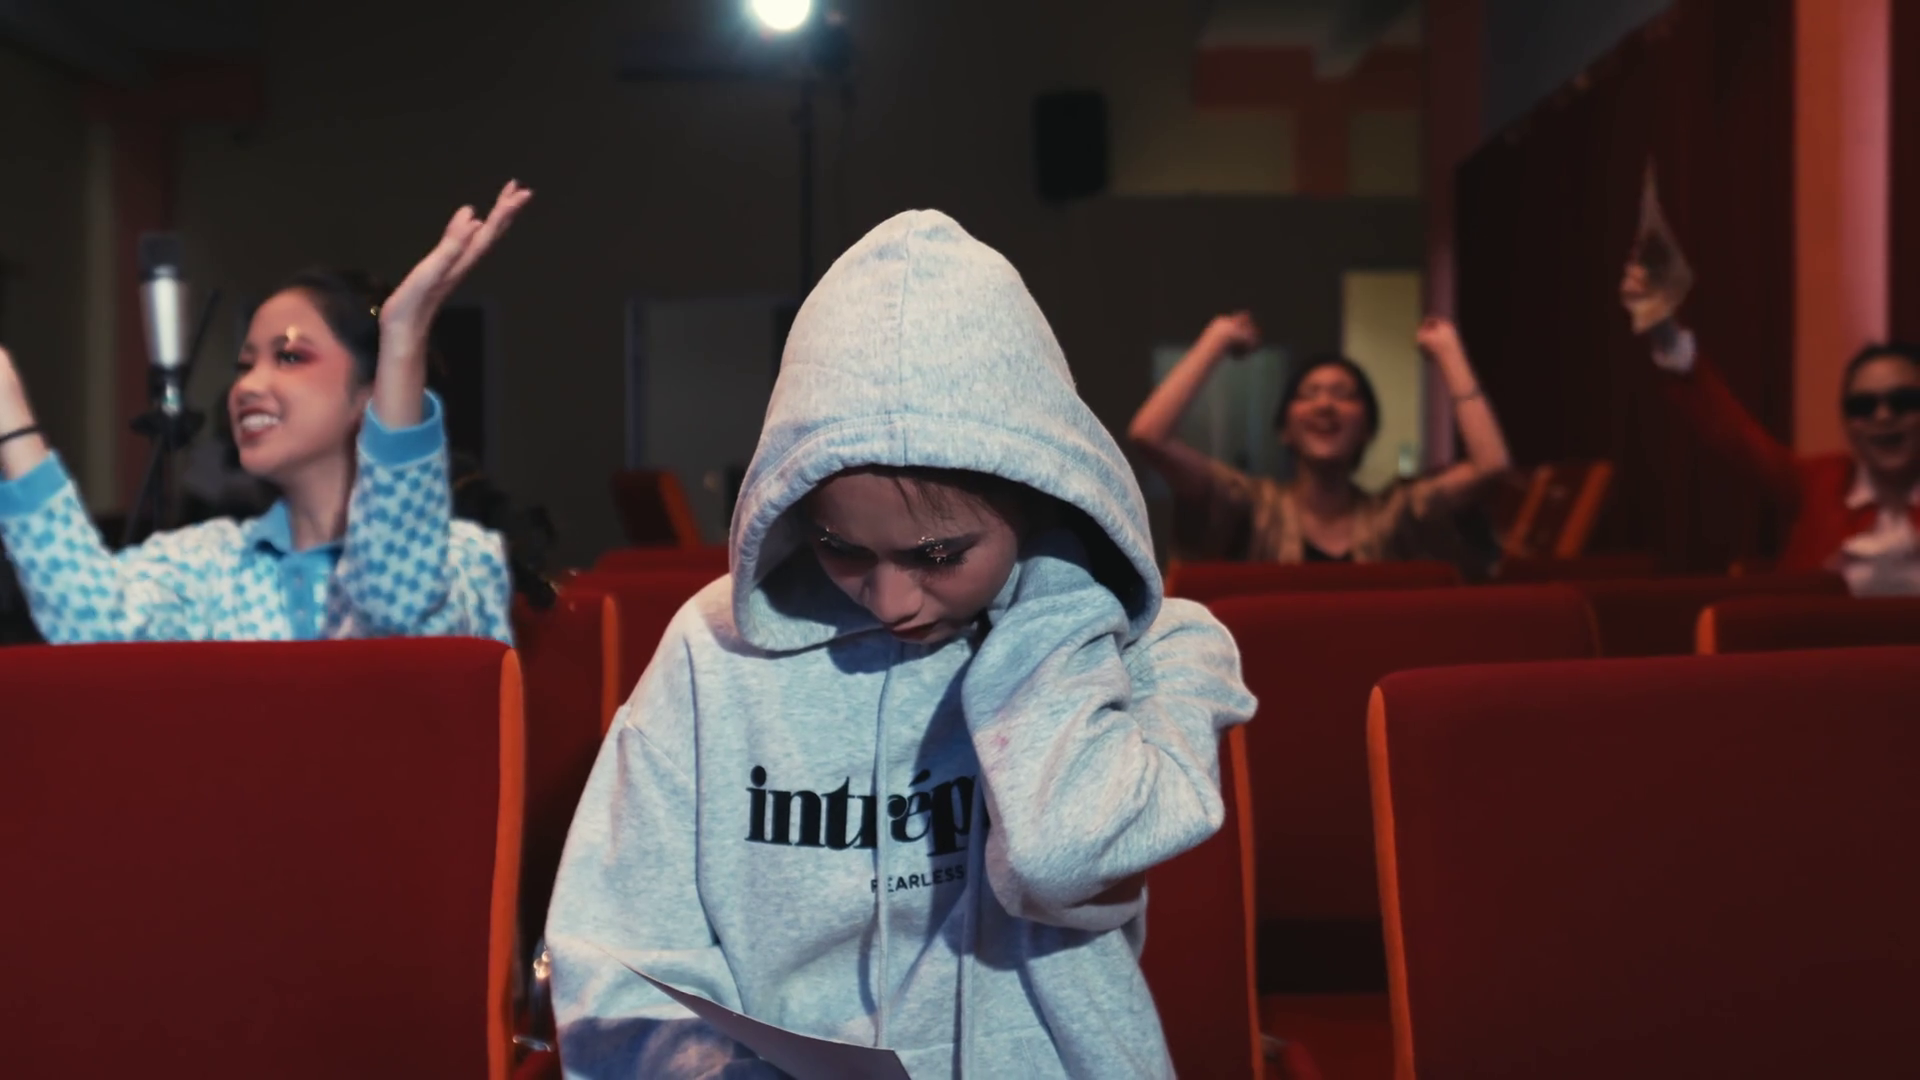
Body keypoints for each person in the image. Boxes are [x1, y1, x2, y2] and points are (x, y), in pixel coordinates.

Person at [546, 210, 1257, 1079]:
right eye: (839, 547)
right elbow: (618, 954)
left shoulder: (1161, 651)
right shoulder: (711, 651)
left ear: (1042, 494)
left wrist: (1059, 593)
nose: (890, 600)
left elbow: (1062, 861)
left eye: (939, 555)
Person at [0, 180, 533, 643]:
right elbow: (92, 626)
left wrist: (402, 337)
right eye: (244, 364)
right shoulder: (209, 564)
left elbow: (397, 611)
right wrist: (9, 410)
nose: (248, 386)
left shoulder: (464, 560)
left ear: (370, 394)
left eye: (290, 357)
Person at [1621, 263, 1920, 595]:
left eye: (1902, 401)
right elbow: (1732, 431)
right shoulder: (1824, 483)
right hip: (1802, 627)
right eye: (1863, 406)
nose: (1883, 417)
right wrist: (1663, 330)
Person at [1128, 313, 1513, 564]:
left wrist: (1448, 348)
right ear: (1284, 429)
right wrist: (1217, 338)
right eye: (1309, 394)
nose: (1325, 405)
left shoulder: (1397, 515)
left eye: (1344, 395)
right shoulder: (1250, 507)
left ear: (1368, 430)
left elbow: (1491, 464)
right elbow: (1149, 435)